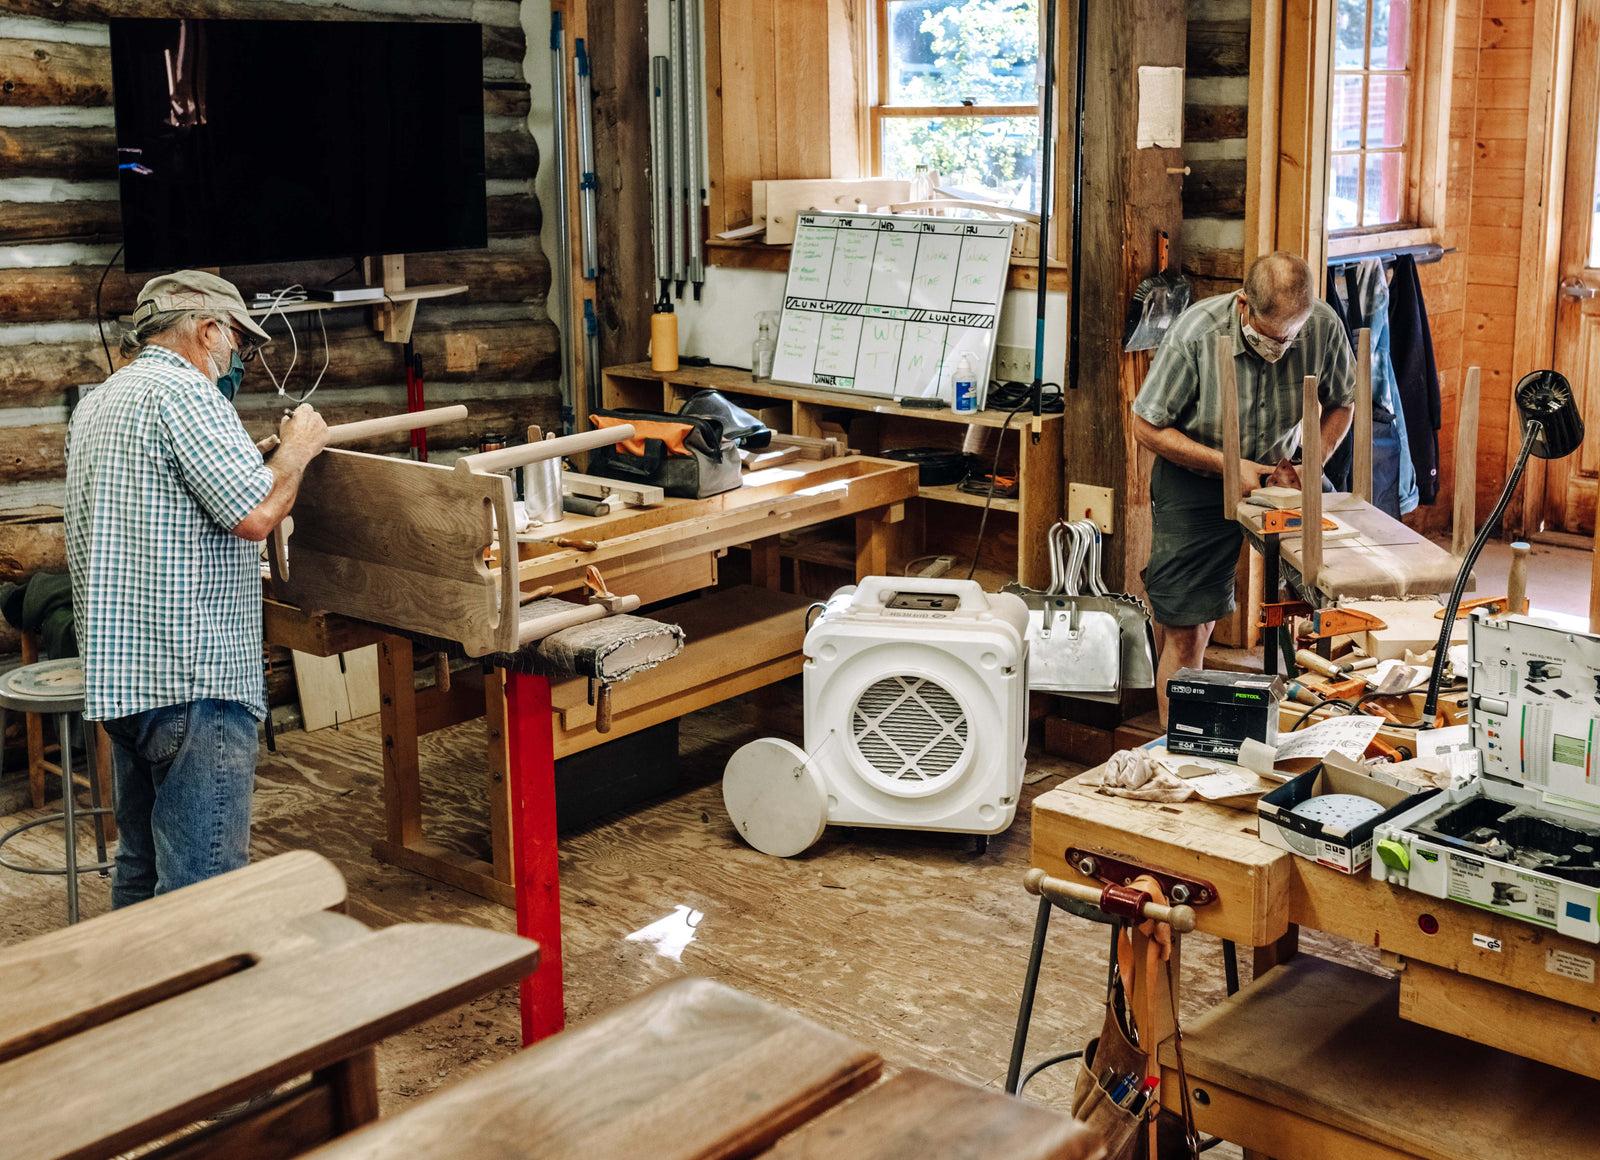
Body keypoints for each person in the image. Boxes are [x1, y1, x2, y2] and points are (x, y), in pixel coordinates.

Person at [65, 270, 329, 907]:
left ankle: (136, 1006)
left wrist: (256, 460)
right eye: (239, 342)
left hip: (125, 681)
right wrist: (297, 449)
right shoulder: (187, 394)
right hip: (192, 684)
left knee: (140, 864)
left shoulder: (101, 400)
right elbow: (257, 517)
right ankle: (199, 1007)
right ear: (209, 329)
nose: (239, 358)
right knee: (200, 893)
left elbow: (176, 498)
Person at [1131, 251, 1355, 725]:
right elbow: (1146, 427)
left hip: (1283, 474)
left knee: (1318, 602)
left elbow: (1343, 403)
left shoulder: (1323, 326)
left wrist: (1310, 464)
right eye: (1270, 338)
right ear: (1243, 305)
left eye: (1290, 340)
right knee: (1187, 627)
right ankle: (1181, 744)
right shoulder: (1196, 332)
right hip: (1197, 475)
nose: (1279, 350)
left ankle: (1296, 724)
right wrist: (1231, 466)